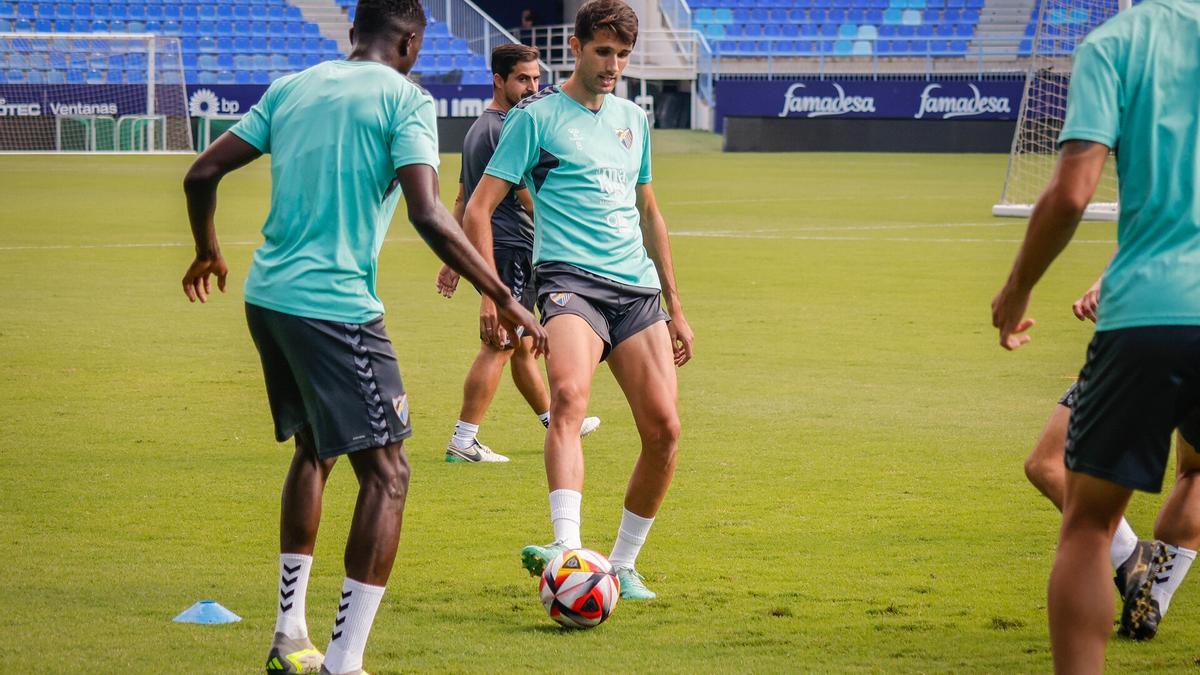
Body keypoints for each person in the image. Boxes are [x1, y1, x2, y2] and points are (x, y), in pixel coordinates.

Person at [180, 2, 546, 673]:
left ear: (352, 34)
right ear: (411, 42)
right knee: (389, 472)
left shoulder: (293, 86)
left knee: (316, 449)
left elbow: (201, 172)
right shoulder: (406, 99)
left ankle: (290, 633)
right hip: (335, 307)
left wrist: (207, 248)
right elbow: (429, 212)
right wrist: (502, 295)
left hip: (269, 296)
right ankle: (344, 660)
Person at [991, 1, 1200, 669]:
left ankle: (1145, 586)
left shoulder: (1116, 43)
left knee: (1086, 526)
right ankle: (1154, 589)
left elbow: (1073, 192)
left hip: (1149, 308)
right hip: (1148, 297)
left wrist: (1018, 287)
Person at [463, 0, 694, 600]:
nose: (613, 63)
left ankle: (620, 564)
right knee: (567, 396)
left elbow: (649, 211)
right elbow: (477, 208)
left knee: (665, 431)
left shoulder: (633, 119)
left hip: (637, 289)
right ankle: (565, 550)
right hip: (571, 282)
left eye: (622, 54)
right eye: (603, 51)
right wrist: (491, 294)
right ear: (577, 46)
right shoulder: (535, 119)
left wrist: (676, 305)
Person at [435, 43, 600, 463]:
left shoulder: (478, 129)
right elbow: (530, 202)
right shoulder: (509, 127)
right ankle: (463, 438)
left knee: (525, 344)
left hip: (496, 247)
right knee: (502, 343)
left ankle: (558, 421)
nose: (532, 87)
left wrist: (454, 258)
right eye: (522, 79)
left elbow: (460, 198)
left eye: (535, 78)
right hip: (508, 248)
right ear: (498, 81)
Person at [1023, 275, 1199, 641]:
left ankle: (1131, 557)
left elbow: (1164, 234)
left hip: (1156, 337)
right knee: (1196, 472)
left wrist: (1108, 280)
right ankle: (1152, 599)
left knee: (1048, 463)